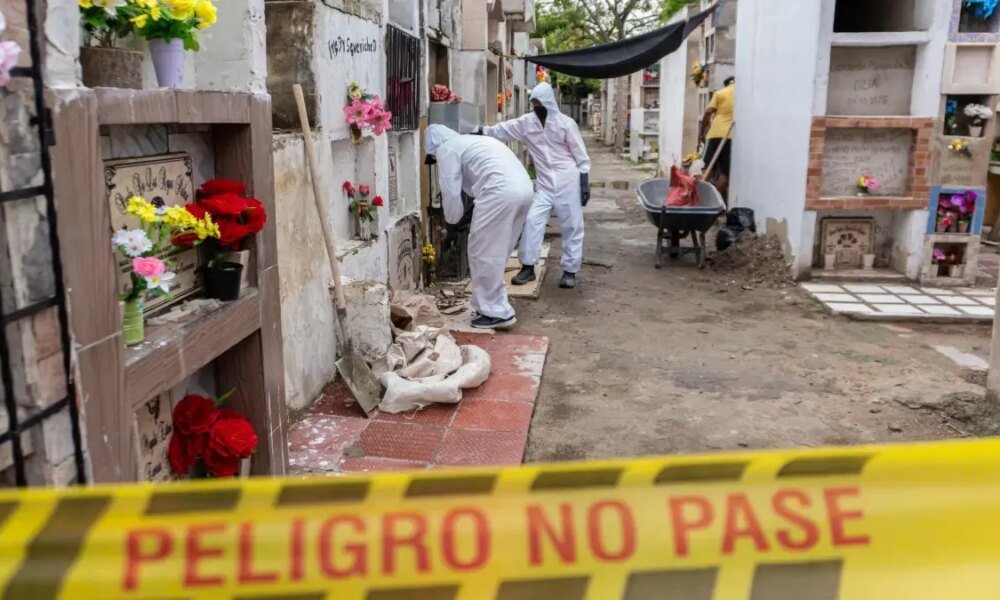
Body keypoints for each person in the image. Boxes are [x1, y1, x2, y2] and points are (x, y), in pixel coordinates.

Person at [480, 81, 591, 289]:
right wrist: (480, 132)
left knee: (572, 226)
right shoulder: (526, 123)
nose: (537, 107)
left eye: (540, 102)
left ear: (549, 102)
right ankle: (528, 267)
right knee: (532, 221)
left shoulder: (566, 124)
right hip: (545, 185)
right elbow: (502, 130)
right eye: (534, 103)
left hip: (568, 183)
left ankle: (569, 271)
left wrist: (584, 183)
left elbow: (581, 156)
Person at [424, 124, 534, 330]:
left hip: (499, 192)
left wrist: (452, 222)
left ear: (434, 148)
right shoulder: (472, 142)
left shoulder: (447, 149)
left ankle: (495, 312)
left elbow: (450, 191)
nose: (436, 160)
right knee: (498, 251)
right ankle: (495, 302)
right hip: (524, 190)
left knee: (481, 251)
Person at [699, 76, 735, 198]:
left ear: (726, 84)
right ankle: (717, 203)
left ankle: (701, 200)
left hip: (715, 134)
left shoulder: (720, 93)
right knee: (725, 174)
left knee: (707, 169)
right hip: (732, 136)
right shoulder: (742, 94)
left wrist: (702, 133)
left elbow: (708, 112)